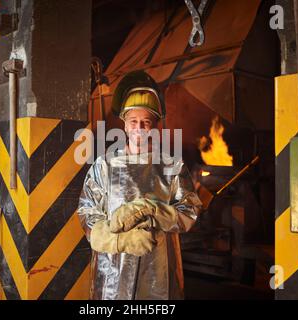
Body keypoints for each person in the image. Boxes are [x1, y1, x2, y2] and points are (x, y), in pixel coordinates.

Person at [77, 71, 203, 300]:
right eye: (134, 121)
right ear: (124, 125)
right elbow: (87, 211)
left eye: (146, 122)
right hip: (113, 269)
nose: (139, 128)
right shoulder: (104, 165)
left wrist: (154, 210)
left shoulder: (171, 166)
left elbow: (190, 210)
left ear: (154, 126)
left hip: (159, 270)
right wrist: (116, 240)